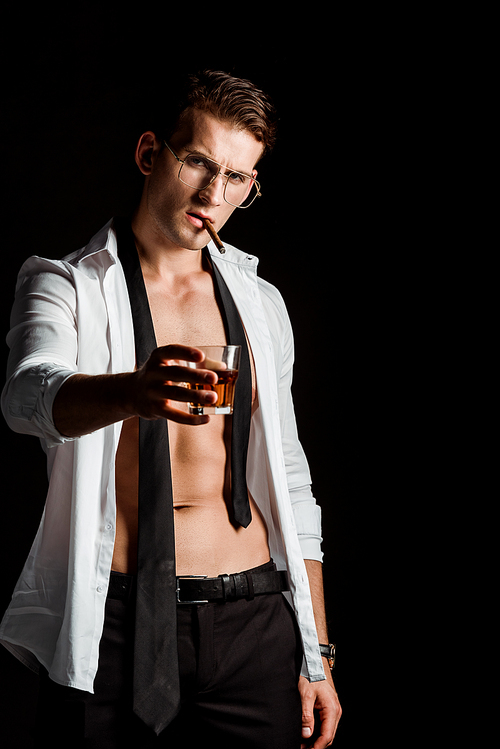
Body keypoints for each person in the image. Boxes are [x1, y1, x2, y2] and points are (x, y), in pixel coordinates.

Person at [0, 70, 341, 748]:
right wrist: (132, 391)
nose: (216, 195)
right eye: (199, 163)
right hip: (119, 622)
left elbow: (292, 483)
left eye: (240, 179)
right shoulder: (67, 284)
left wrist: (317, 650)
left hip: (254, 626)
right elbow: (27, 395)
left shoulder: (261, 304)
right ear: (150, 153)